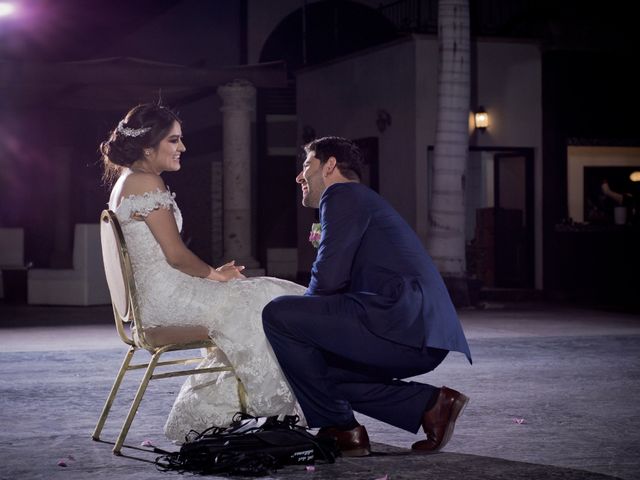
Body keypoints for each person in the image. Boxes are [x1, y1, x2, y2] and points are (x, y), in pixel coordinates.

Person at [100, 103, 306, 442]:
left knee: (258, 294)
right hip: (165, 304)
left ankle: (234, 411)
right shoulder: (147, 181)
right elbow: (177, 256)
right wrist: (214, 275)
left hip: (163, 296)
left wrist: (213, 275)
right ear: (148, 145)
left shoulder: (127, 181)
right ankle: (271, 411)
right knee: (262, 301)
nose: (182, 148)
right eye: (174, 140)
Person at [262, 136, 472, 457]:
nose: (299, 176)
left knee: (278, 315)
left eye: (307, 165)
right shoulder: (358, 199)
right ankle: (431, 406)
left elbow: (328, 280)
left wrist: (304, 322)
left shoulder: (342, 195)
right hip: (417, 333)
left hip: (404, 324)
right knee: (315, 371)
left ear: (329, 166)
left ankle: (342, 428)